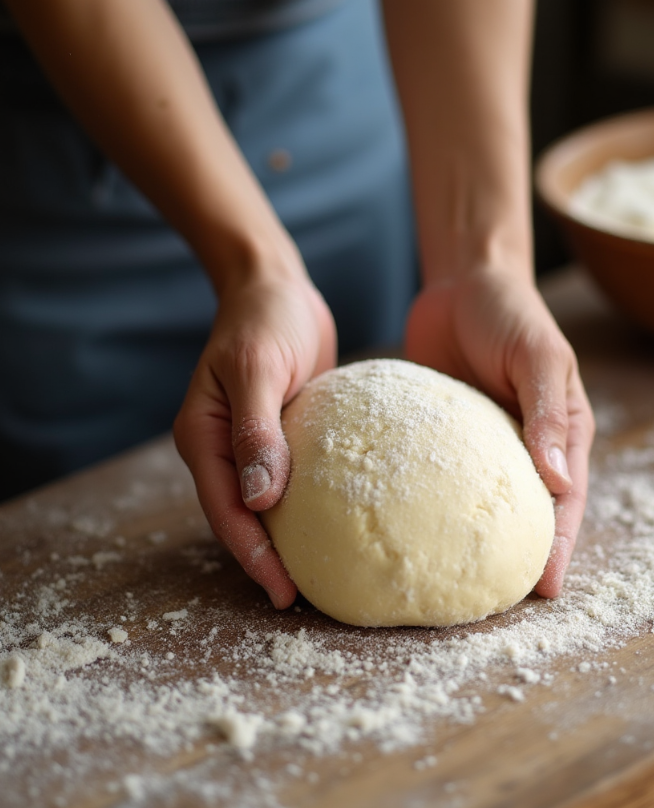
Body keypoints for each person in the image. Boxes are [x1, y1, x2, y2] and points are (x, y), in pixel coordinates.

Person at [1, 0, 594, 607]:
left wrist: (481, 260)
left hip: (340, 99)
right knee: (67, 537)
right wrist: (256, 269)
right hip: (85, 155)